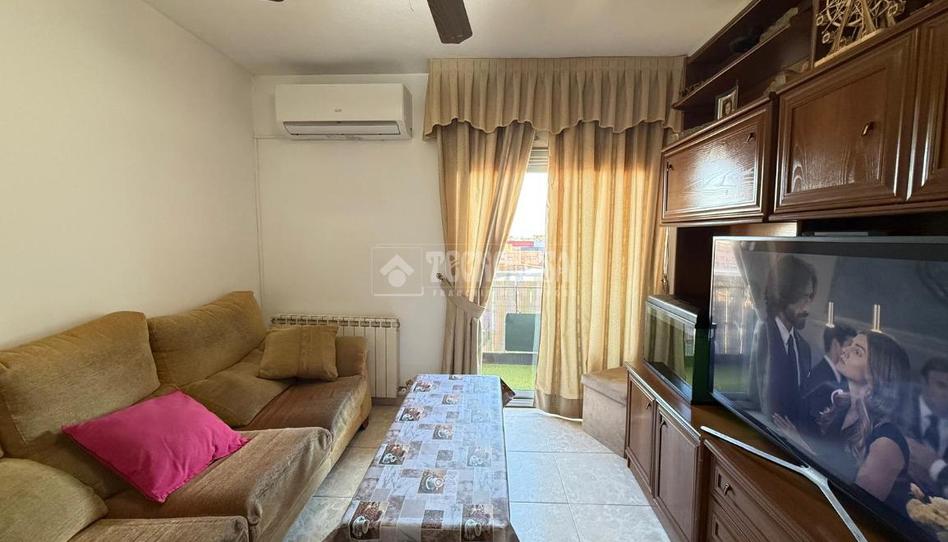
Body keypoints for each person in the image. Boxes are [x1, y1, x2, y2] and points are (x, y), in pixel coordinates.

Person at [819, 331, 913, 514]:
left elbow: (855, 510)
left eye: (858, 351)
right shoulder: (842, 408)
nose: (844, 350)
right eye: (850, 344)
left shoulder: (887, 441)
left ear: (877, 374)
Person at [751, 255, 817, 424]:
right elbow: (753, 401)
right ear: (784, 295)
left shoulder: (804, 349)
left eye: (810, 297)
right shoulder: (761, 334)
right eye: (803, 297)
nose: (808, 307)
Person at [901, 358, 948, 498]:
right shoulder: (896, 410)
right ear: (923, 383)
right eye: (941, 385)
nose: (947, 393)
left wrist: (935, 466)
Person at [801, 323, 857, 434]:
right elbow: (813, 424)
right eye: (849, 345)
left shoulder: (844, 377)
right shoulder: (818, 378)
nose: (851, 353)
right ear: (835, 344)